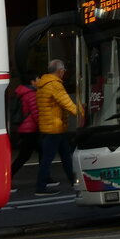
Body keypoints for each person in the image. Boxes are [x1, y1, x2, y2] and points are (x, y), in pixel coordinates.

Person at [34, 59, 83, 195]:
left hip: (49, 127)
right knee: (48, 160)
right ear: (60, 71)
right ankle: (40, 187)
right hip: (54, 128)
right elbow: (66, 103)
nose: (64, 73)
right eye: (64, 70)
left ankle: (74, 181)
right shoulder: (54, 85)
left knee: (66, 156)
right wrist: (82, 114)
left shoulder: (42, 84)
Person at [9, 71, 41, 193]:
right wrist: (42, 126)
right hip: (30, 129)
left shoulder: (22, 92)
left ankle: (45, 177)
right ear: (32, 82)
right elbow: (36, 113)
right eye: (38, 78)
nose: (39, 80)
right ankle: (7, 179)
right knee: (24, 156)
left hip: (24, 128)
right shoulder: (31, 94)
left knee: (41, 151)